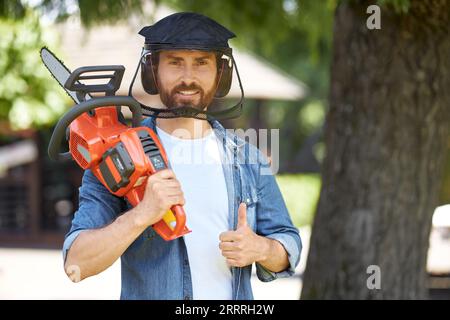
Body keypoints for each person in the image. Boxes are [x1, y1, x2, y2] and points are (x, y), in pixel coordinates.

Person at [63, 12, 301, 300]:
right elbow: (76, 262)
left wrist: (262, 249)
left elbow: (289, 244)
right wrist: (141, 215)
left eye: (201, 63)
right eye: (175, 62)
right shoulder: (115, 155)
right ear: (153, 71)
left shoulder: (248, 159)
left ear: (220, 74)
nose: (188, 78)